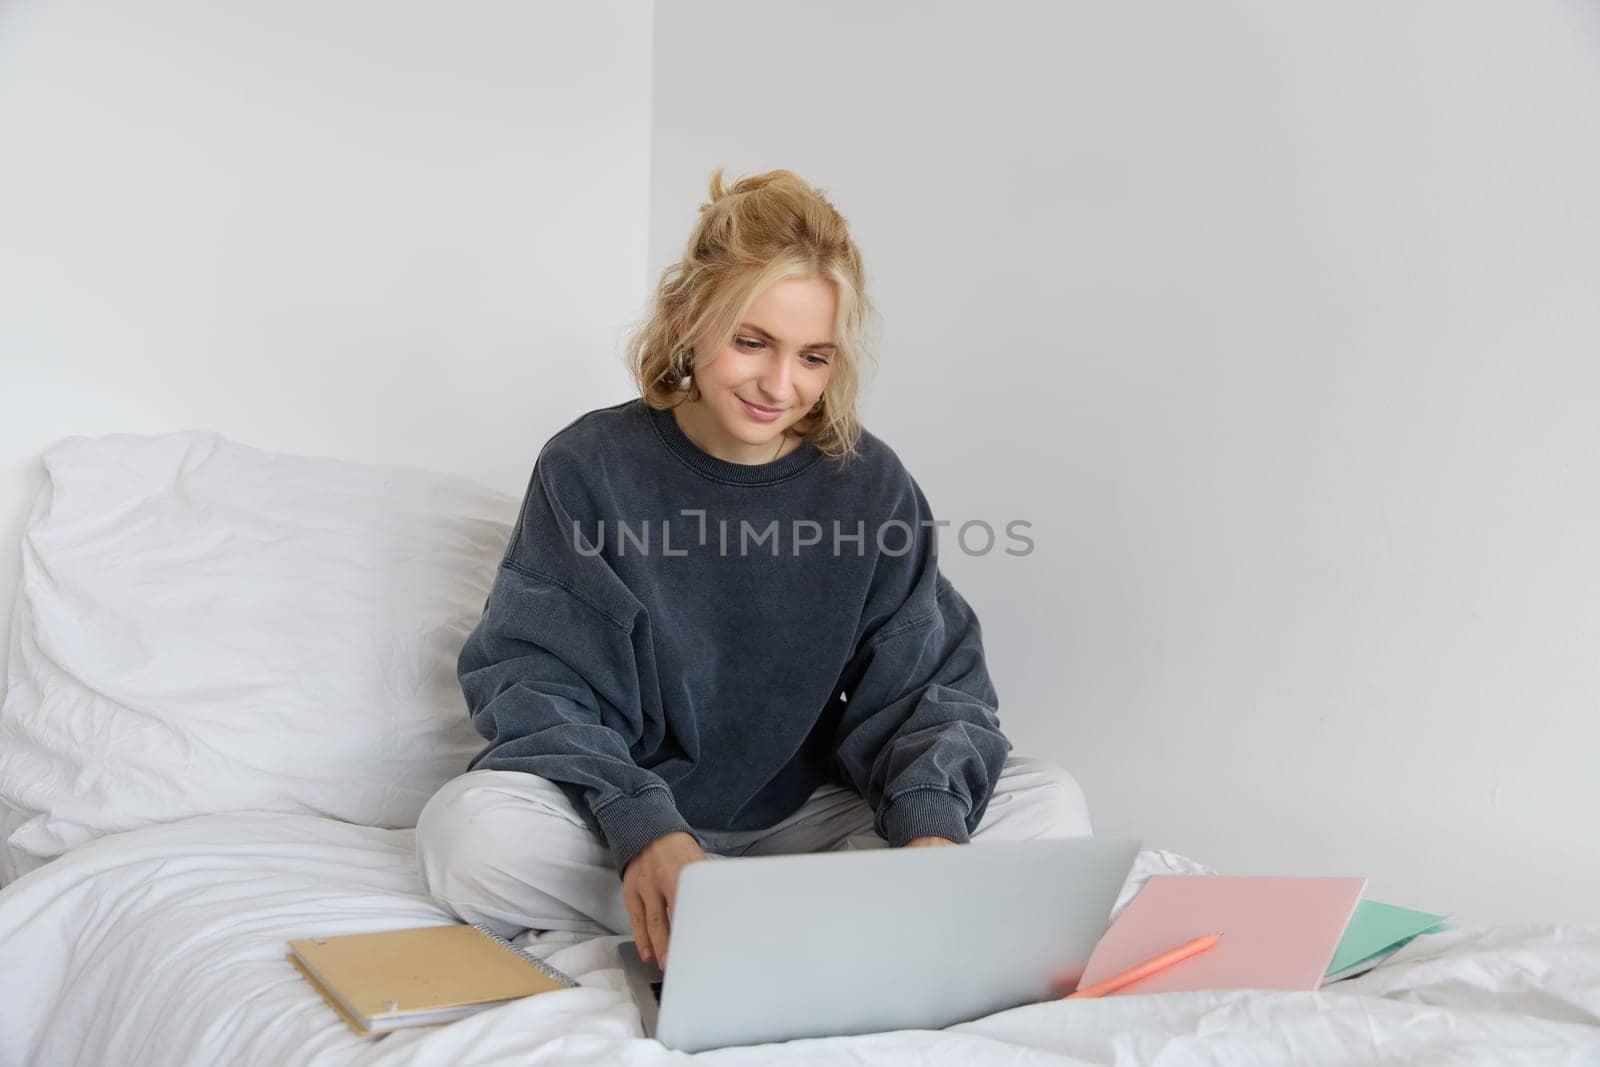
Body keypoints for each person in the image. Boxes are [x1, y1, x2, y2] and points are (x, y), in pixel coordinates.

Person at [415, 167, 1092, 970]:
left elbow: (926, 688)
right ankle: (756, 907)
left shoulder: (870, 485)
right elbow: (534, 679)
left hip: (803, 815)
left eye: (813, 356)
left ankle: (728, 913)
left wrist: (931, 831)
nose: (781, 385)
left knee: (1052, 806)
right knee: (466, 837)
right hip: (628, 812)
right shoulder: (589, 466)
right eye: (752, 342)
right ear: (689, 318)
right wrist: (644, 824)